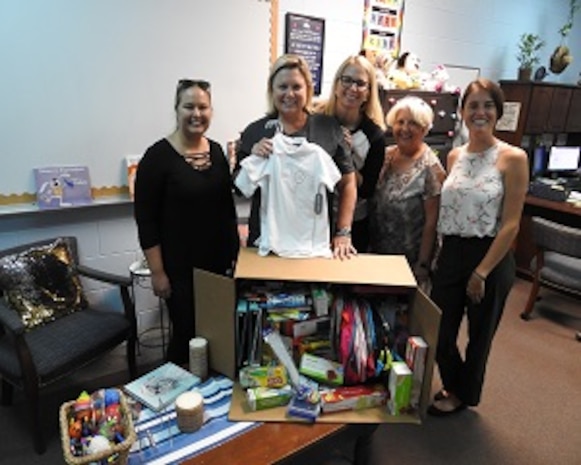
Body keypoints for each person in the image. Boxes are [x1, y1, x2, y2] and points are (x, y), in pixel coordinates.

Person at [428, 78, 529, 415]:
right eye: (473, 105)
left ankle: (462, 395)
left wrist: (481, 271)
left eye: (488, 105)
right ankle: (456, 384)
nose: (480, 112)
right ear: (462, 113)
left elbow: (512, 222)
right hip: (452, 252)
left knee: (479, 337)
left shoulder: (512, 158)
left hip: (491, 255)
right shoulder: (454, 155)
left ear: (498, 112)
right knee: (440, 332)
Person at [134, 79, 240, 365]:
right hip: (179, 270)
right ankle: (182, 398)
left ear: (211, 111)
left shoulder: (217, 152)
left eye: (203, 107)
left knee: (218, 333)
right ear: (177, 109)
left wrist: (235, 256)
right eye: (189, 106)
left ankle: (212, 397)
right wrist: (158, 272)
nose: (196, 113)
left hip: (218, 266)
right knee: (186, 335)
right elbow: (146, 220)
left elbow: (225, 209)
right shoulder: (157, 158)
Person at [235, 54, 357, 259]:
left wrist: (343, 232)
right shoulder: (255, 132)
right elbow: (239, 187)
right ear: (272, 91)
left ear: (308, 90)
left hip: (314, 244)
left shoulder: (328, 129)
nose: (289, 94)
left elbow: (348, 183)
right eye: (282, 87)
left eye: (296, 87)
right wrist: (252, 156)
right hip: (267, 243)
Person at [369, 95, 446, 287]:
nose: (404, 129)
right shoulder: (386, 155)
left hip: (408, 262)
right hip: (376, 254)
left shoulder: (431, 168)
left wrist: (422, 265)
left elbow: (432, 222)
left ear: (424, 128)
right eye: (400, 122)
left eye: (412, 123)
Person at [316, 54, 387, 252]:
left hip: (352, 226)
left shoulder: (374, 136)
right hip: (313, 217)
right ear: (337, 84)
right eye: (346, 80)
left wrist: (346, 157)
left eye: (360, 83)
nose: (352, 88)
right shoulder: (315, 118)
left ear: (368, 92)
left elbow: (367, 190)